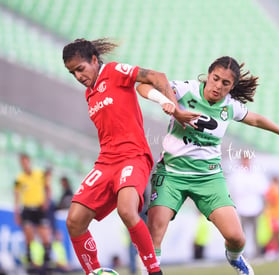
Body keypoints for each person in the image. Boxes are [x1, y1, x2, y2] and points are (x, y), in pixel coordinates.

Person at [137, 56, 279, 275]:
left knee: (236, 238)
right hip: (172, 174)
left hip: (208, 178)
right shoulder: (186, 90)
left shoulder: (229, 106)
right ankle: (150, 270)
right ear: (209, 74)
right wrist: (165, 102)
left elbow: (256, 119)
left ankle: (234, 258)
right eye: (216, 79)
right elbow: (143, 85)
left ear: (232, 86)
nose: (218, 86)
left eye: (226, 83)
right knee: (155, 233)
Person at [62, 38, 197, 275]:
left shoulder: (113, 71)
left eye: (80, 69)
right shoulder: (89, 94)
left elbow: (157, 76)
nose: (78, 76)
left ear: (94, 60)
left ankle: (154, 271)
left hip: (133, 156)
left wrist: (175, 109)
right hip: (106, 162)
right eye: (72, 72)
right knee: (74, 221)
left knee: (126, 209)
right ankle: (94, 272)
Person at [14, 153, 52, 270]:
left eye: (26, 162)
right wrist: (16, 212)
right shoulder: (19, 178)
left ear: (29, 162)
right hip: (27, 209)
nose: (24, 164)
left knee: (45, 236)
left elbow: (48, 187)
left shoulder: (39, 174)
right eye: (22, 162)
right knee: (28, 234)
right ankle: (31, 261)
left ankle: (46, 261)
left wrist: (47, 201)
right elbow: (16, 195)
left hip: (39, 209)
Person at [228, 155, 270, 259]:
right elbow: (234, 190)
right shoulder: (236, 174)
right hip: (242, 207)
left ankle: (258, 254)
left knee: (257, 233)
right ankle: (241, 255)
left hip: (255, 207)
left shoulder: (257, 173)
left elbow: (263, 188)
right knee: (242, 234)